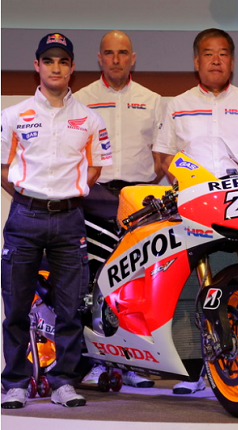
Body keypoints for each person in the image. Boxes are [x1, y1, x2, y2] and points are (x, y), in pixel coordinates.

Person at [154, 28, 238, 394]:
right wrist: (186, 188)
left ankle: (236, 368)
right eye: (208, 54)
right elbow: (163, 156)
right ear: (196, 61)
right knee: (193, 288)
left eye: (223, 54)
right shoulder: (176, 104)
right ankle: (196, 372)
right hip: (191, 210)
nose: (216, 60)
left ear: (232, 62)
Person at [1, 33, 112, 409]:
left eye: (63, 61)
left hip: (69, 220)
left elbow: (94, 168)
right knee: (16, 306)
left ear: (72, 67)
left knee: (71, 307)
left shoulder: (90, 119)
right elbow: (3, 169)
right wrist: (30, 196)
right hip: (24, 217)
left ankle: (63, 381)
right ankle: (15, 382)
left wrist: (65, 194)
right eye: (48, 60)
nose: (56, 67)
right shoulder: (12, 116)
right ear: (37, 66)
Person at [74, 30, 163, 390]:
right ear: (99, 58)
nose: (116, 59)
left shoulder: (152, 100)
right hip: (94, 196)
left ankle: (132, 363)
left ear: (133, 58)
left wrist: (145, 190)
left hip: (138, 200)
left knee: (135, 282)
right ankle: (95, 361)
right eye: (109, 53)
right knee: (94, 279)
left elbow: (161, 156)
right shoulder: (81, 99)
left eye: (123, 53)